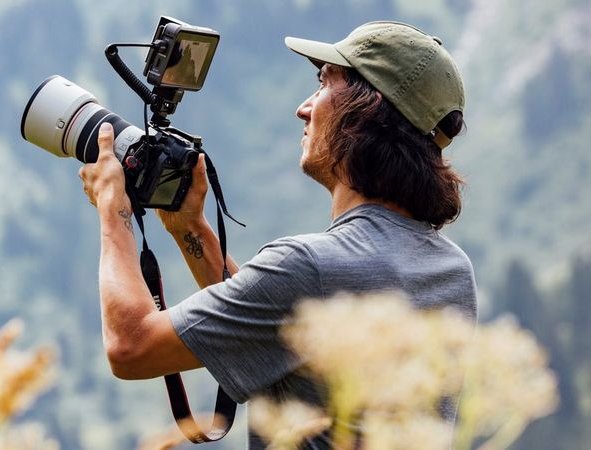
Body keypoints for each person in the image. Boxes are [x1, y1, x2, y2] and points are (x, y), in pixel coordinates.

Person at [78, 21, 477, 449]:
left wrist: (113, 207)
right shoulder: (452, 272)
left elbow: (131, 348)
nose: (304, 108)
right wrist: (191, 228)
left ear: (365, 111)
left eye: (324, 84)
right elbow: (272, 320)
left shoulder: (309, 267)